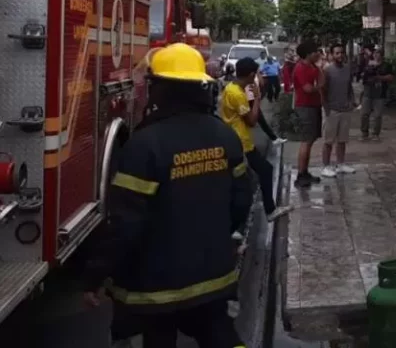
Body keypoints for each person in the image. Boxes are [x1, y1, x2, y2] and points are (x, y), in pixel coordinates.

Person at [83, 43, 252, 348]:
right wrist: (217, 237)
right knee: (220, 335)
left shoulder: (145, 145)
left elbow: (125, 224)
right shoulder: (225, 136)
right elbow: (242, 200)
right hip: (214, 274)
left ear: (159, 88)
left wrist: (97, 273)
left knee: (159, 337)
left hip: (157, 285)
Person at [222, 58, 292, 223]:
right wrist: (258, 98)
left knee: (262, 172)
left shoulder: (233, 88)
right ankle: (241, 224)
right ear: (252, 74)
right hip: (241, 143)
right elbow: (252, 120)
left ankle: (266, 211)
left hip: (238, 140)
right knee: (249, 181)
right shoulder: (237, 94)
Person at [321, 44, 357, 177]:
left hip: (345, 109)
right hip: (332, 110)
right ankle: (325, 166)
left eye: (341, 53)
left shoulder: (347, 69)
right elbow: (322, 90)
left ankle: (340, 163)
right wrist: (326, 108)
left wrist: (351, 101)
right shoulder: (327, 70)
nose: (340, 55)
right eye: (337, 53)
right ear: (331, 55)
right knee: (328, 140)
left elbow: (349, 87)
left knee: (342, 139)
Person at [292, 41, 324, 188]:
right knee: (306, 140)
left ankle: (305, 172)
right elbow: (308, 89)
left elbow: (321, 80)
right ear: (308, 54)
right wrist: (319, 87)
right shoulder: (301, 68)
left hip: (314, 106)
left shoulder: (313, 66)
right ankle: (300, 174)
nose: (318, 54)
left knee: (310, 140)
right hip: (305, 107)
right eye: (315, 52)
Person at [360, 49, 394, 141]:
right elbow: (362, 76)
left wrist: (379, 77)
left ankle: (376, 134)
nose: (376, 55)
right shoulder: (368, 64)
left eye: (378, 53)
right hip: (368, 91)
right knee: (364, 114)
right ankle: (364, 133)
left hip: (380, 93)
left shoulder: (386, 65)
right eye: (375, 53)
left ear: (382, 55)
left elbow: (391, 77)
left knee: (378, 115)